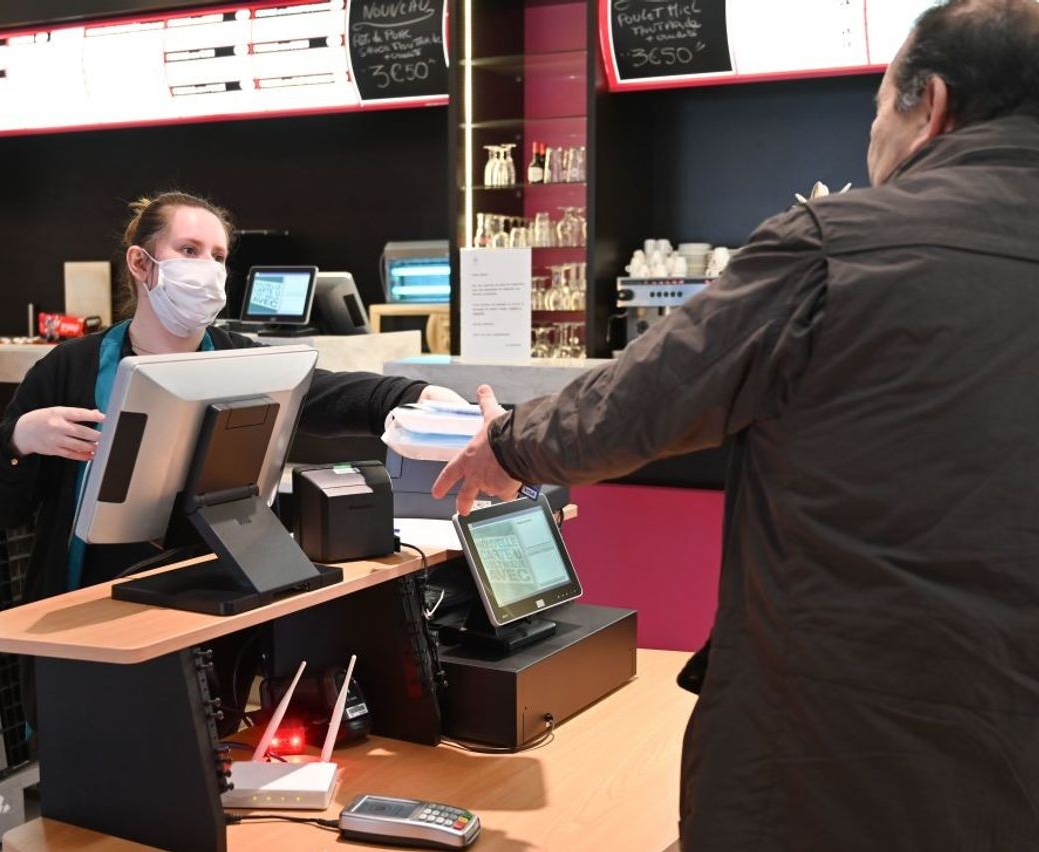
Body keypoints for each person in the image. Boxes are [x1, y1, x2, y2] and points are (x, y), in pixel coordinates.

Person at [435, 2, 1039, 849]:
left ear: (928, 105)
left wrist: (507, 444)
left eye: (877, 107)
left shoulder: (840, 246)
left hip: (830, 751)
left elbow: (640, 403)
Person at [0, 190, 462, 602]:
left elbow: (329, 392)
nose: (208, 268)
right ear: (141, 263)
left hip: (209, 595)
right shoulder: (68, 369)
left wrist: (416, 394)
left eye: (218, 257)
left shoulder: (235, 358)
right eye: (189, 250)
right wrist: (18, 442)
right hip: (91, 603)